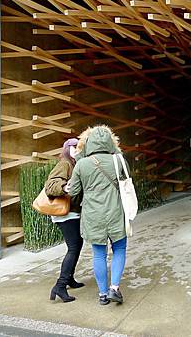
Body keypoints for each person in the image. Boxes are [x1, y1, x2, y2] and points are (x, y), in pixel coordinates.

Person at [68, 125, 129, 306]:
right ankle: (114, 288)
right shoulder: (118, 160)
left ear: (89, 142)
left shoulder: (82, 164)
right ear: (110, 141)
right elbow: (127, 182)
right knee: (119, 249)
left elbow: (74, 192)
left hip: (93, 215)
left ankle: (102, 294)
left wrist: (80, 158)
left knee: (99, 254)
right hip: (116, 212)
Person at [45, 138, 84, 303]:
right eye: (74, 147)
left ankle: (69, 278)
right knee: (73, 247)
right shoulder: (65, 164)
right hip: (65, 214)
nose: (77, 150)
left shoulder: (74, 164)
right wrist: (64, 187)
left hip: (72, 212)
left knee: (77, 245)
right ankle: (60, 286)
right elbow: (50, 185)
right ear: (67, 149)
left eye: (79, 147)